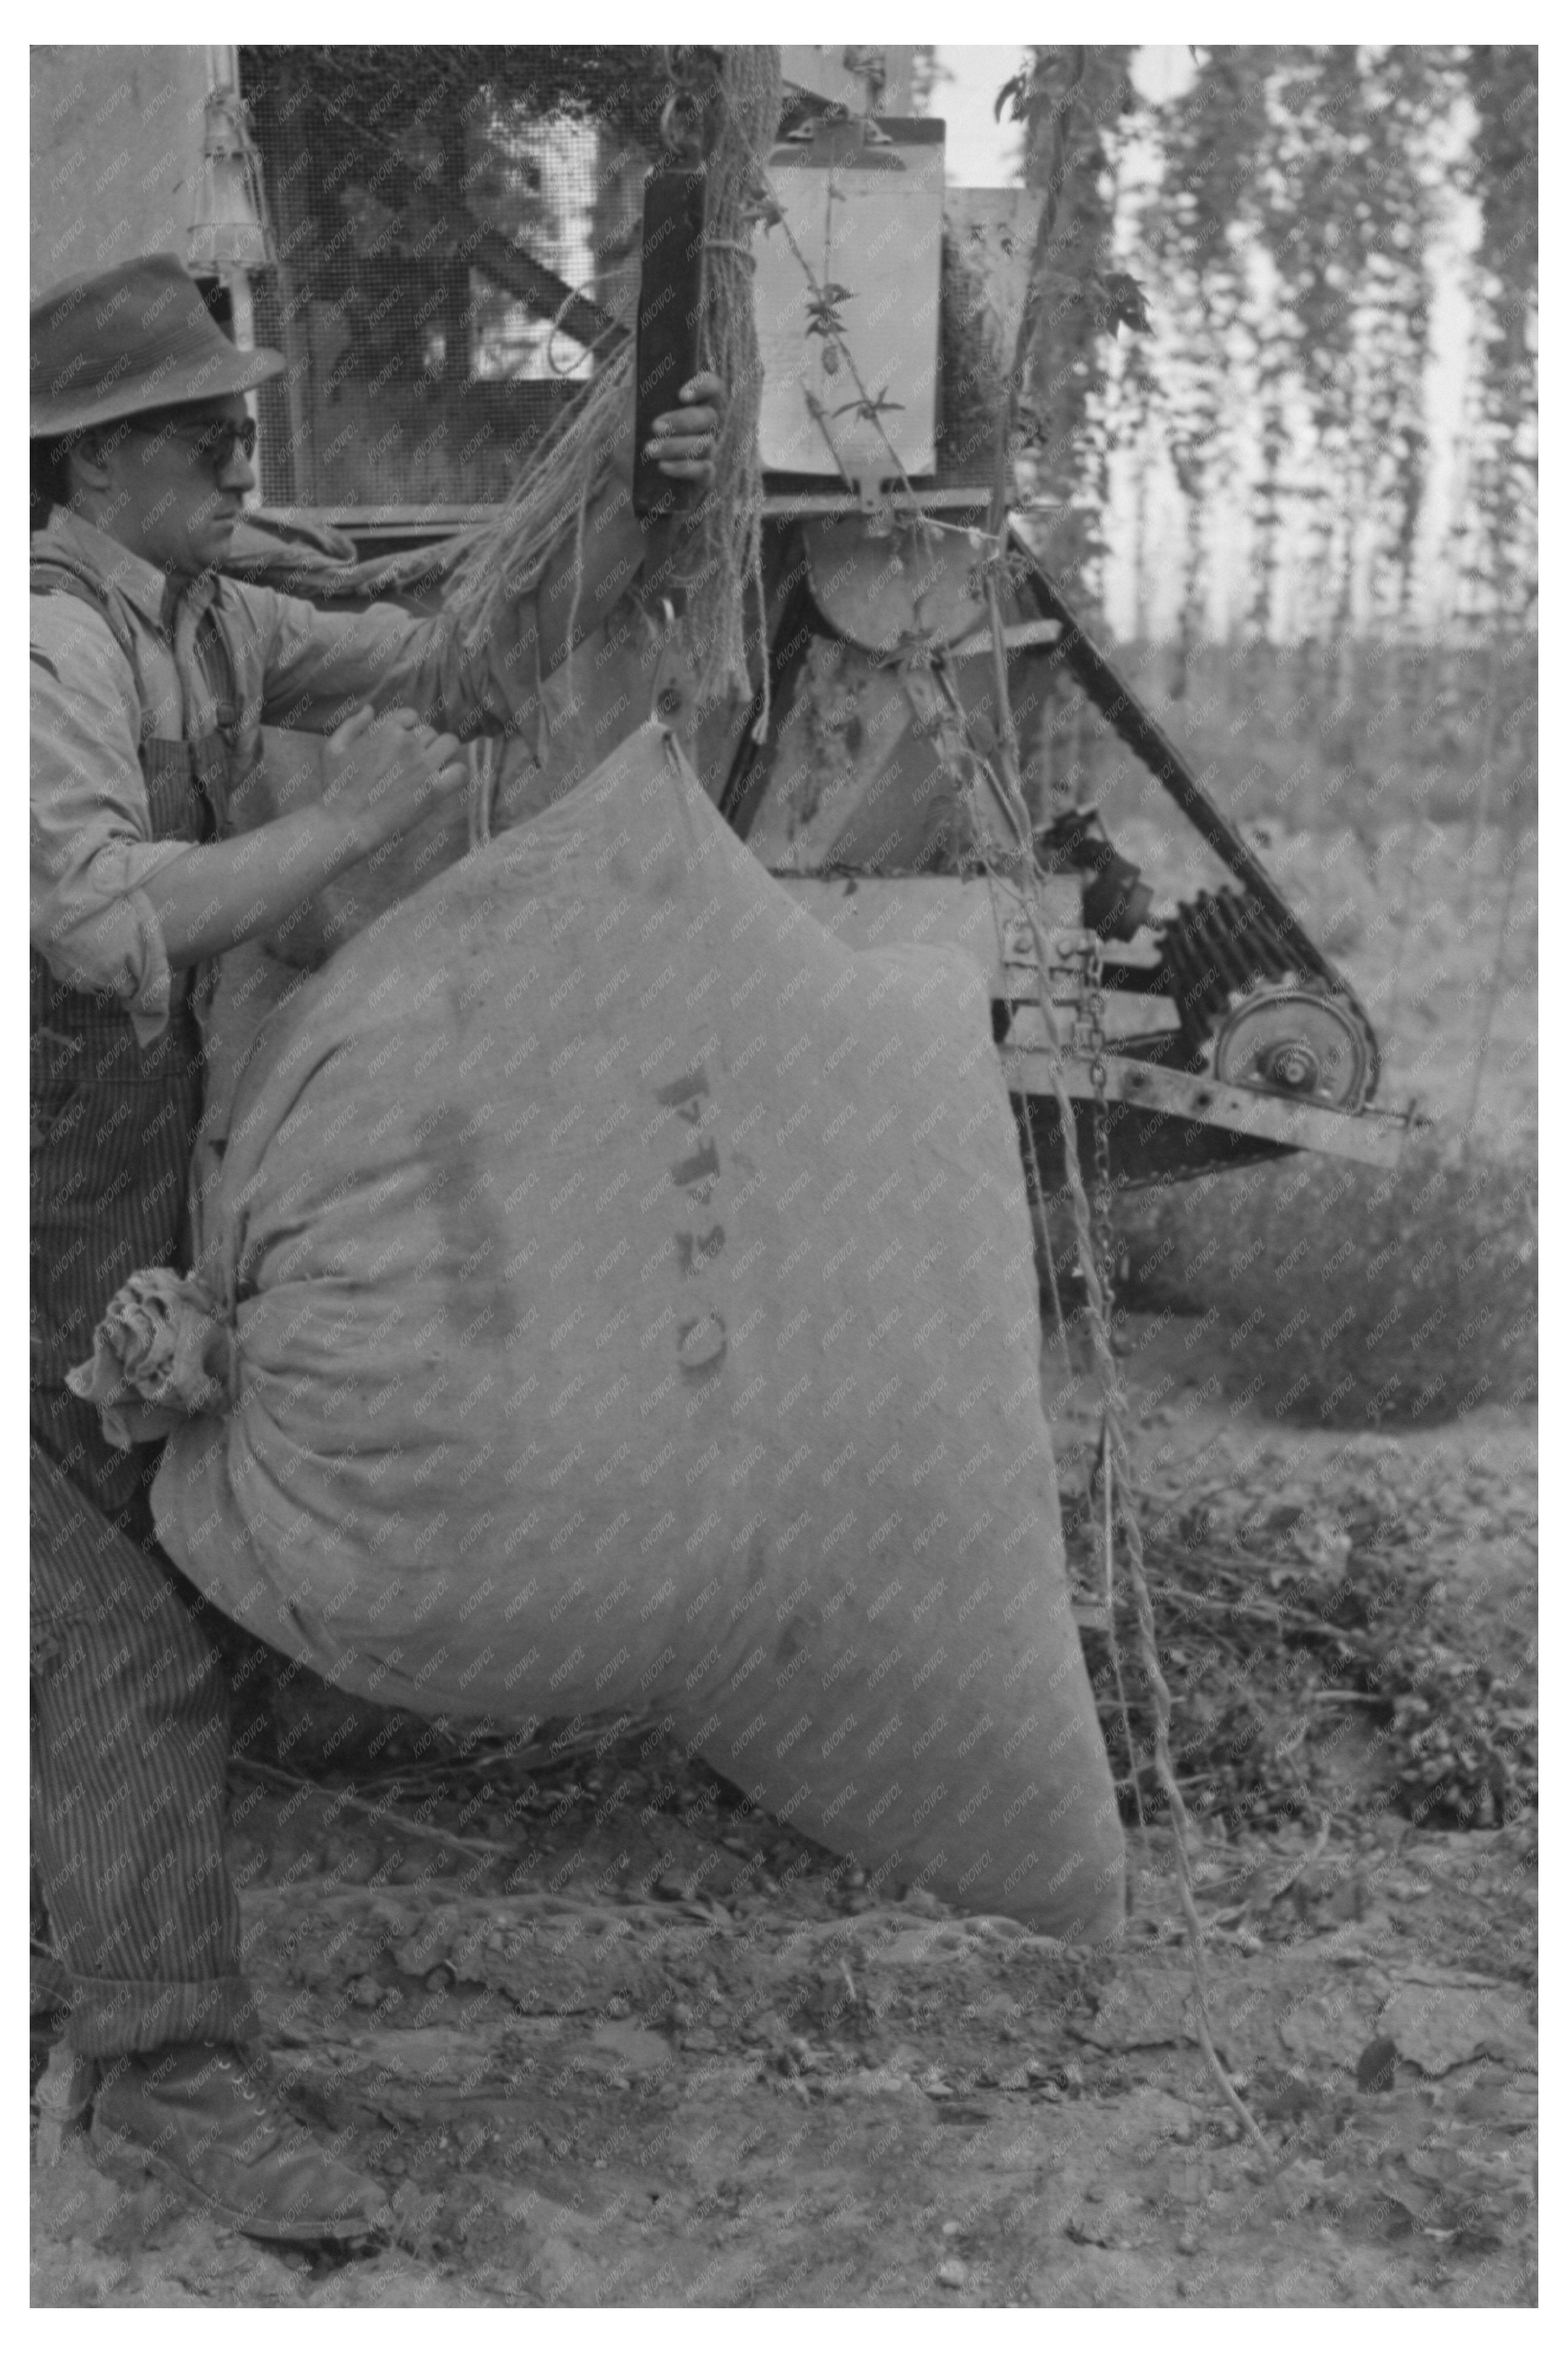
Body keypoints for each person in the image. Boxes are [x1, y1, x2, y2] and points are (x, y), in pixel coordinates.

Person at [30, 251, 723, 2245]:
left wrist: (642, 498)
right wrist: (344, 839)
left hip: (103, 1182)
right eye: (196, 427)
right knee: (122, 1631)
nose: (241, 446)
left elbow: (454, 664)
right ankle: (164, 2069)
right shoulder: (44, 654)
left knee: (100, 1601)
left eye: (241, 415)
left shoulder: (203, 617)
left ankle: (87, 1985)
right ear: (86, 463)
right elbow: (86, 925)